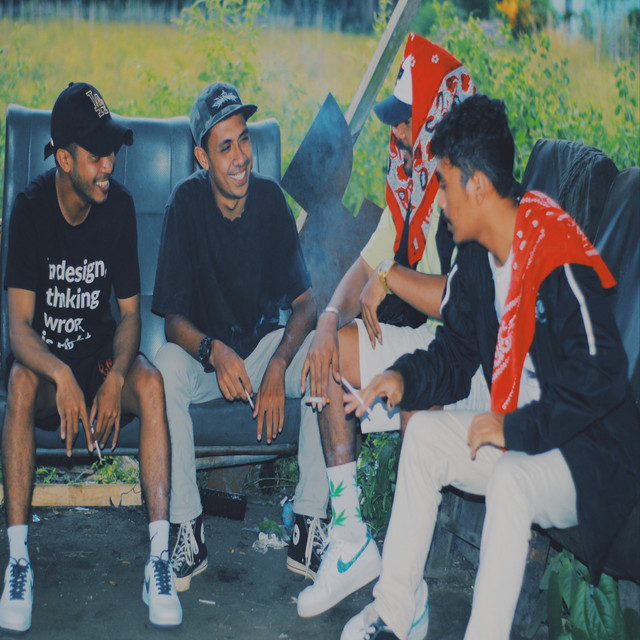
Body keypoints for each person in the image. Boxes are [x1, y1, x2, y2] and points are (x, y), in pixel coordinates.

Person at [340, 94, 640, 640]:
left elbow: (603, 374)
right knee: (424, 436)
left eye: (445, 184)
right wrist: (401, 378)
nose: (440, 200)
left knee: (510, 480)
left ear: (477, 186)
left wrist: (516, 428)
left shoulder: (555, 249)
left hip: (585, 452)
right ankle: (394, 613)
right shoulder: (477, 257)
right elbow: (455, 354)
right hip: (525, 435)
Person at [291, 34, 487, 620]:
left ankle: (408, 588)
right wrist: (328, 320)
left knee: (420, 397)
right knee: (331, 356)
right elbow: (365, 263)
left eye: (407, 121)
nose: (397, 134)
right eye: (396, 123)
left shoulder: (472, 188)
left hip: (476, 362)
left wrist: (393, 278)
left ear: (437, 119)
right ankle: (351, 537)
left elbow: (461, 304)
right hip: (433, 343)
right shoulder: (410, 184)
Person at [0, 82, 182, 634]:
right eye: (96, 155)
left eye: (111, 152)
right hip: (48, 369)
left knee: (151, 384)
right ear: (63, 158)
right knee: (20, 384)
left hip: (102, 361)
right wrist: (59, 372)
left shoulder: (117, 207)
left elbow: (129, 316)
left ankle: (158, 560)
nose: (109, 166)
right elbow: (18, 329)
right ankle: (18, 561)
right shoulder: (30, 210)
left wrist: (117, 376)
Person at [152, 81, 321, 592]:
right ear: (202, 157)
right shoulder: (184, 205)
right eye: (225, 146)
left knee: (324, 354)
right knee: (164, 369)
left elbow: (307, 302)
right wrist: (212, 349)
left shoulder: (269, 200)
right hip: (210, 363)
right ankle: (188, 529)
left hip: (267, 351)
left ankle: (311, 524)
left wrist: (279, 362)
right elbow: (172, 320)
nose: (241, 156)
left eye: (244, 139)